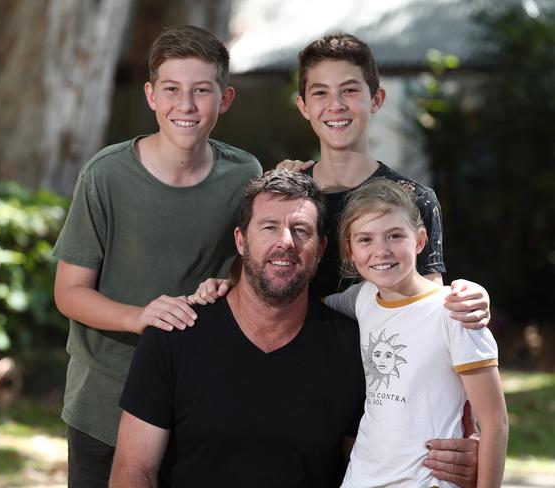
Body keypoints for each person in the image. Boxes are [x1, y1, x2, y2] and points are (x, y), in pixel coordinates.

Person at [189, 33, 488, 485]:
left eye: (350, 90)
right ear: (302, 105)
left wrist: (472, 432)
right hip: (295, 386)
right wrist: (220, 283)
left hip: (383, 403)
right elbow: (254, 279)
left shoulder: (411, 201)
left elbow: (430, 322)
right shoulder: (288, 196)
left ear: (376, 98)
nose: (337, 105)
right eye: (320, 93)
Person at [52, 25, 262, 487]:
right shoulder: (105, 176)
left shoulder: (244, 174)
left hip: (195, 397)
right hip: (104, 398)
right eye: (171, 89)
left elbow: (243, 264)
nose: (185, 106)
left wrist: (228, 281)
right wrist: (138, 316)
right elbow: (68, 293)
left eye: (201, 91)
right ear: (151, 96)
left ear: (224, 99)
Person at [109, 169, 365, 488]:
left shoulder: (351, 348)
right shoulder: (173, 336)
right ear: (241, 241)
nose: (285, 242)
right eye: (269, 227)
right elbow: (134, 470)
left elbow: (372, 466)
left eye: (300, 230)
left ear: (321, 249)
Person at [324, 178, 508, 487]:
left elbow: (495, 423)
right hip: (361, 479)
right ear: (350, 250)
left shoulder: (454, 312)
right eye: (365, 240)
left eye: (395, 236)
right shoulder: (362, 297)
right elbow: (298, 309)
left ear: (420, 241)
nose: (381, 251)